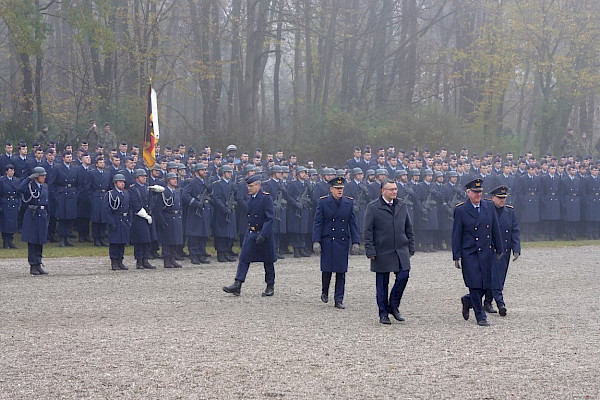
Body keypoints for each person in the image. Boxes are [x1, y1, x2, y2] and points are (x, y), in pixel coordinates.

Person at [452, 178, 503, 327]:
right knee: (474, 285)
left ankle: (468, 300)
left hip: (486, 251)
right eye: (475, 192)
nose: (478, 194)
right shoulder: (461, 210)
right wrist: (456, 255)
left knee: (485, 285)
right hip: (470, 253)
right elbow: (457, 234)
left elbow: (495, 229)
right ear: (468, 193)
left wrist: (499, 248)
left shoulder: (489, 206)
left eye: (480, 192)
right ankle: (480, 315)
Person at [363, 178, 415, 325]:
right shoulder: (373, 207)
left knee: (404, 275)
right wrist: (370, 250)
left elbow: (408, 228)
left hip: (400, 249)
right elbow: (367, 231)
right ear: (383, 191)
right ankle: (383, 313)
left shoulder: (402, 205)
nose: (394, 192)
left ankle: (393, 305)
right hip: (382, 250)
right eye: (391, 189)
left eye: (396, 189)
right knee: (382, 283)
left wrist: (411, 247)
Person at [223, 175, 277, 297]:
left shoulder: (265, 198)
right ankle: (238, 284)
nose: (249, 188)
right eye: (248, 186)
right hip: (252, 231)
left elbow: (269, 218)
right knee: (244, 258)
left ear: (258, 185)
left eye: (251, 186)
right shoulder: (250, 198)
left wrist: (263, 234)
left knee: (268, 261)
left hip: (264, 233)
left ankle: (270, 285)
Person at [312, 176, 360, 309]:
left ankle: (339, 299)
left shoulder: (348, 203)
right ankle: (325, 290)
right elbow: (318, 223)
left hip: (342, 240)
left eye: (342, 189)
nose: (340, 191)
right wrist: (316, 241)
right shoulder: (323, 202)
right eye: (337, 189)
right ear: (331, 189)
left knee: (341, 271)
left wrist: (356, 241)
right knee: (327, 269)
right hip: (328, 239)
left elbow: (353, 223)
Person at [484, 186, 521, 316]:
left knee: (499, 277)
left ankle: (487, 302)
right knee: (493, 276)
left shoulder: (510, 212)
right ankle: (500, 302)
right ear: (492, 198)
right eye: (500, 198)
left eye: (504, 198)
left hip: (505, 249)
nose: (502, 200)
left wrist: (516, 249)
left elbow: (515, 231)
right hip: (490, 249)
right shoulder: (486, 210)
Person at [19, 167, 50, 275]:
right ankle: (33, 265)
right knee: (32, 241)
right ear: (36, 176)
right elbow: (20, 189)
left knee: (40, 241)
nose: (44, 177)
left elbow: (47, 204)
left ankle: (38, 263)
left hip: (42, 215)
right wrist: (29, 179)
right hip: (32, 215)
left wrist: (48, 217)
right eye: (42, 175)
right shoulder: (29, 186)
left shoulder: (45, 187)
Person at [154, 172, 184, 268]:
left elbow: (180, 205)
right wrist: (162, 220)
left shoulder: (177, 191)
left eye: (176, 179)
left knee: (175, 240)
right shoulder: (163, 192)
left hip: (176, 217)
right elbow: (158, 209)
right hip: (168, 217)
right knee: (167, 240)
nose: (175, 180)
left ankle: (173, 259)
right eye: (173, 179)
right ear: (168, 181)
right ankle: (167, 260)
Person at [103, 174, 131, 271]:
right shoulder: (110, 194)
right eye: (120, 182)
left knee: (122, 242)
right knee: (115, 242)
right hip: (115, 218)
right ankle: (114, 261)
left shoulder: (126, 194)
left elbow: (129, 208)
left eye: (123, 182)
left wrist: (129, 220)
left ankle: (120, 261)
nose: (122, 183)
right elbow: (107, 210)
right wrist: (111, 222)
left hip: (124, 219)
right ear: (115, 183)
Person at [0, 164, 20, 248]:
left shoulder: (16, 180)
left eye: (13, 170)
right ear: (6, 171)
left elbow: (19, 193)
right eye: (10, 170)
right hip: (5, 203)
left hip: (13, 203)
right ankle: (5, 241)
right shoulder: (2, 181)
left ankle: (11, 241)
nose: (12, 172)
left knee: (12, 224)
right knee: (5, 224)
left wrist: (19, 203)